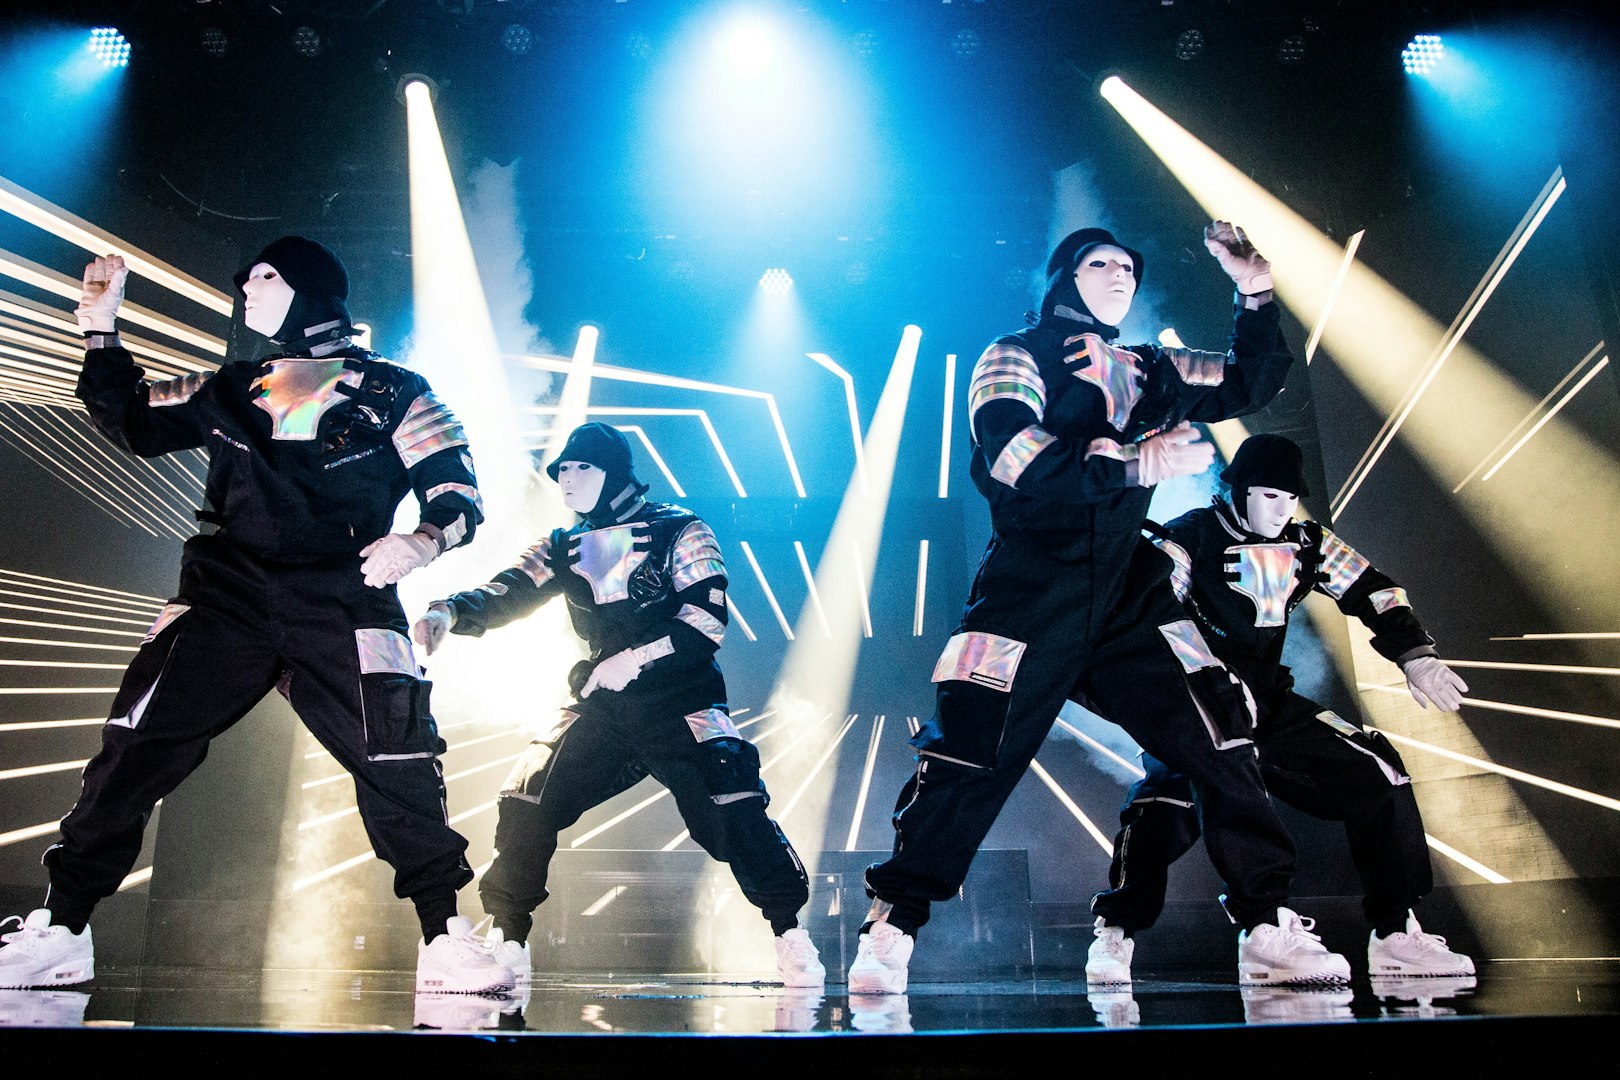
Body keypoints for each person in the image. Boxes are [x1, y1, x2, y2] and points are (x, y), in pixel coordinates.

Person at [848, 221, 1352, 994]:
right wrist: (1133, 460)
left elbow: (1254, 380)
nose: (1120, 275)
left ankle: (1264, 923)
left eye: (1128, 265)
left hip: (1128, 593)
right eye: (1100, 263)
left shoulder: (1150, 368)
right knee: (971, 750)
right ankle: (892, 924)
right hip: (1028, 588)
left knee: (1218, 729)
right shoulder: (1013, 354)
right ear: (1063, 278)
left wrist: (1255, 291)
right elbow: (1011, 457)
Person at [0, 241, 510, 996]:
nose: (244, 284)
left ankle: (445, 935)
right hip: (226, 596)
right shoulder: (231, 386)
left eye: (265, 275)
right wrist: (100, 329)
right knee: (134, 745)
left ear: (311, 290)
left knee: (396, 757)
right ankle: (63, 928)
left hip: (343, 597)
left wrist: (421, 540)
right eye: (244, 275)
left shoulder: (398, 391)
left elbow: (458, 495)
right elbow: (133, 421)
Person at [411, 422, 825, 988]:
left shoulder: (681, 529)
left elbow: (705, 619)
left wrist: (636, 658)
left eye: (581, 467)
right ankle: (508, 939)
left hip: (682, 699)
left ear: (614, 471)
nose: (567, 479)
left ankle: (790, 934)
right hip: (604, 705)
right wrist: (450, 612)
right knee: (528, 795)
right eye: (561, 470)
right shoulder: (563, 544)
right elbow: (510, 588)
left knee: (729, 806)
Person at [1085, 433, 1474, 983]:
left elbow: (1374, 589)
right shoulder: (1186, 539)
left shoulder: (1307, 541)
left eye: (1291, 498)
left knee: (1378, 772)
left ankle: (1395, 932)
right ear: (1238, 491)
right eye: (1269, 496)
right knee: (1160, 814)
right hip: (1199, 711)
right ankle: (1128, 933)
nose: (1282, 509)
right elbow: (1155, 615)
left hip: (1269, 702)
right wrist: (1212, 678)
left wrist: (1416, 656)